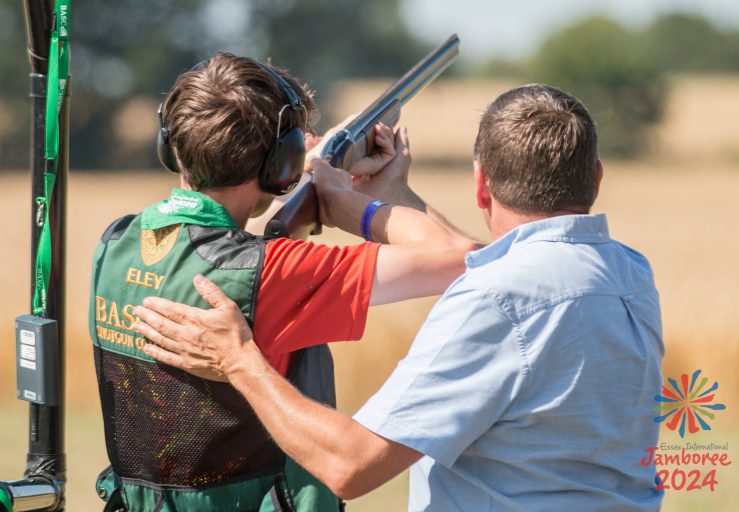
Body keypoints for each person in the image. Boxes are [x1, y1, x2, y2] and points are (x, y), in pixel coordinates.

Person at [134, 84, 665, 511]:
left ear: (481, 185)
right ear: (595, 178)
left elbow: (350, 467)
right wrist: (390, 200)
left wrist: (239, 360)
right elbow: (504, 265)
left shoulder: (497, 298)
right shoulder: (628, 272)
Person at [89, 52, 475, 512]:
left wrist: (302, 179)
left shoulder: (115, 244)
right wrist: (364, 197)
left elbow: (221, 257)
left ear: (171, 143)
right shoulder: (274, 274)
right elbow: (467, 260)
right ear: (280, 164)